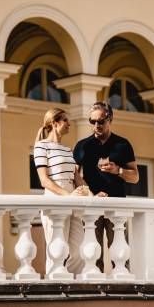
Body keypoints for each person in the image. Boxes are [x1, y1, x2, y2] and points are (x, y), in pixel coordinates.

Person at [33, 108, 101, 275]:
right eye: (65, 121)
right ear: (54, 123)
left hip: (73, 202)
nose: (69, 124)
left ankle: (73, 284)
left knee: (78, 251)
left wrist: (93, 196)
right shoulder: (41, 146)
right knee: (56, 250)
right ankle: (54, 286)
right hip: (55, 200)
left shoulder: (67, 150)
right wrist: (68, 195)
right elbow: (44, 180)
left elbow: (77, 178)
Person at [73, 101, 139, 271]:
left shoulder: (122, 145)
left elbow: (135, 177)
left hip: (116, 205)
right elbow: (75, 176)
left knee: (120, 253)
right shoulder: (82, 146)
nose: (96, 125)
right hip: (91, 205)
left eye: (101, 121)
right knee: (93, 254)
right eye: (92, 122)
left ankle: (124, 288)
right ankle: (96, 289)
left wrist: (118, 170)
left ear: (110, 119)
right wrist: (88, 194)